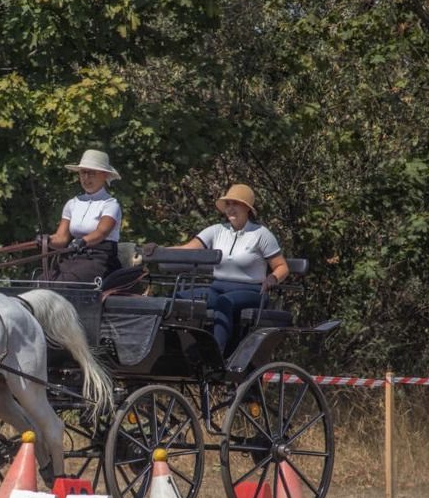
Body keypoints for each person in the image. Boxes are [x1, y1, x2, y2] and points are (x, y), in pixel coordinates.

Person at [152, 183, 288, 354]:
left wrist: (272, 279)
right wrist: (156, 251)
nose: (230, 208)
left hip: (252, 291)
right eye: (228, 204)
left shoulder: (261, 234)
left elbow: (282, 267)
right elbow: (187, 249)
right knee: (176, 298)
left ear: (247, 208)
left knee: (225, 303)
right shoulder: (216, 231)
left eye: (235, 204)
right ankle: (172, 351)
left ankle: (216, 354)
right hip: (217, 288)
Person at [43, 149, 123, 283]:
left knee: (65, 282)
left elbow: (101, 232)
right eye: (83, 173)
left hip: (100, 260)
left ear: (104, 175)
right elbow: (61, 238)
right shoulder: (72, 203)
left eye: (91, 173)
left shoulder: (111, 204)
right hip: (74, 258)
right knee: (42, 280)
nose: (86, 178)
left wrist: (83, 241)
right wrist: (46, 241)